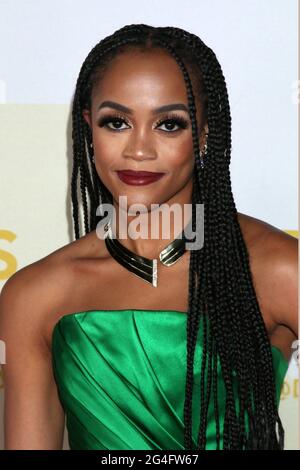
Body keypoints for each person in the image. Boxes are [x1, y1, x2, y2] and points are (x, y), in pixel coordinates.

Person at [0, 23, 297, 451]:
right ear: (89, 127)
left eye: (169, 124)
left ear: (206, 132)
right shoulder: (35, 294)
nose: (139, 149)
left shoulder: (278, 268)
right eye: (116, 122)